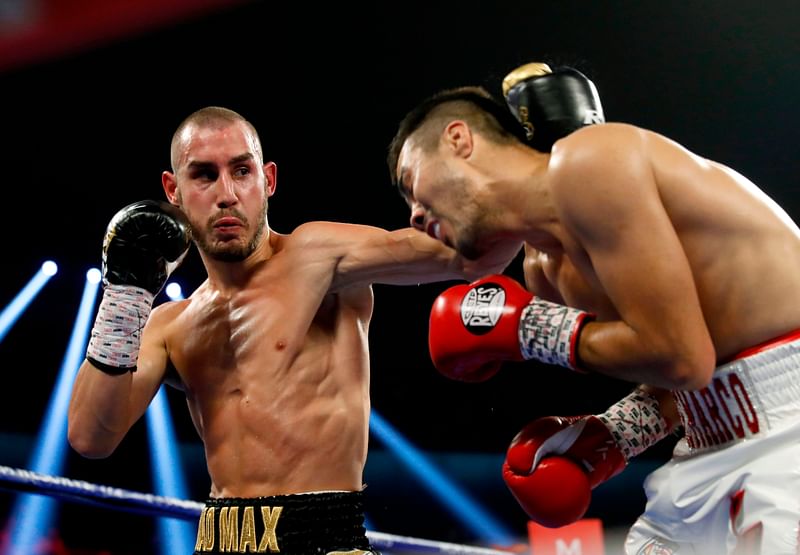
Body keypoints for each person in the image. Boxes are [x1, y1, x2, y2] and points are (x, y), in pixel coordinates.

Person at [386, 62, 800, 554]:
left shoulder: (589, 159)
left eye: (412, 181)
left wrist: (528, 329)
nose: (412, 212)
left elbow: (682, 357)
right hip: (706, 448)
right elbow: (685, 375)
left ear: (459, 139)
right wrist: (614, 438)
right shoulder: (546, 270)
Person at [67, 106, 509, 555]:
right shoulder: (170, 323)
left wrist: (533, 183)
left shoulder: (318, 258)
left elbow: (469, 253)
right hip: (219, 541)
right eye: (203, 175)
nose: (227, 194)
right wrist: (125, 296)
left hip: (323, 537)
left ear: (268, 180)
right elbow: (90, 437)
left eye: (242, 171)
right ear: (173, 190)